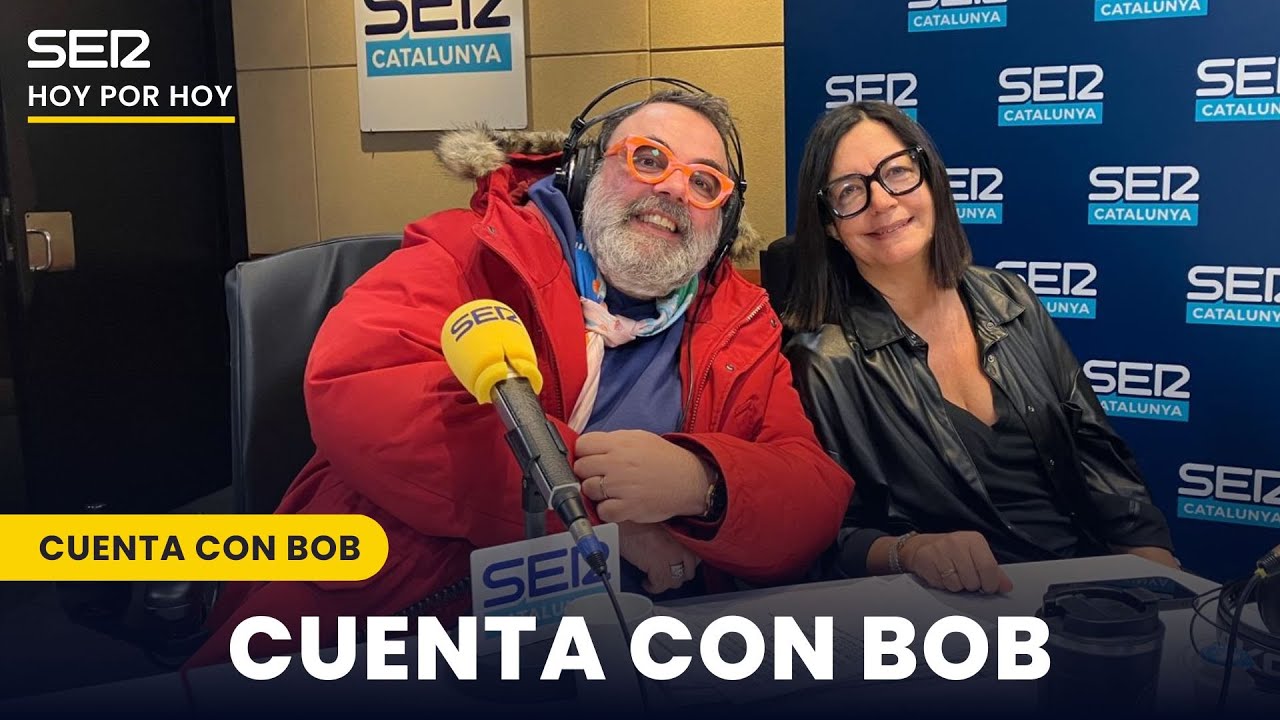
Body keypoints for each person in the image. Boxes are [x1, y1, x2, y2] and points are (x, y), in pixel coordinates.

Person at [188, 81, 852, 664]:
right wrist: (604, 520)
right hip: (399, 619)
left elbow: (812, 495)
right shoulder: (466, 252)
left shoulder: (739, 320)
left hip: (635, 645)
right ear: (585, 172)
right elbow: (367, 392)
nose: (675, 187)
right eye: (648, 159)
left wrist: (701, 482)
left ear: (724, 221)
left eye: (705, 182)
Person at [782, 101, 1176, 595]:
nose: (881, 200)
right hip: (958, 607)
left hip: (1083, 590)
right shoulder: (823, 361)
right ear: (829, 225)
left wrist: (1152, 567)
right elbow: (826, 537)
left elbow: (1097, 454)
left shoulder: (1011, 298)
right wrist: (910, 551)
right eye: (849, 191)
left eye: (897, 172)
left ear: (932, 181)